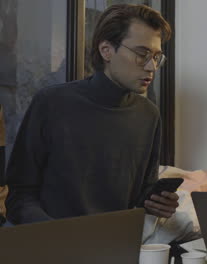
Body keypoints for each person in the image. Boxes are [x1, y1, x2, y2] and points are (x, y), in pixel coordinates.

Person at [5, 4, 179, 224]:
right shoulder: (51, 103)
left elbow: (140, 197)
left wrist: (157, 203)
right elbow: (19, 197)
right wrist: (56, 234)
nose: (151, 67)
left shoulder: (148, 115)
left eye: (156, 57)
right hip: (52, 246)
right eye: (142, 54)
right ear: (106, 50)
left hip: (116, 246)